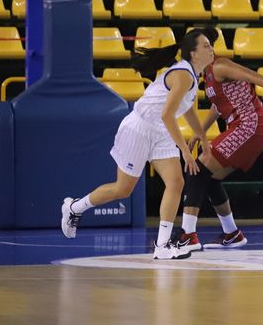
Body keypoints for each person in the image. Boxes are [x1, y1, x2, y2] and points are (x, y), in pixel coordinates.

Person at [61, 30, 215, 260]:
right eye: (206, 45)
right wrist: (186, 152)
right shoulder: (183, 74)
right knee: (123, 189)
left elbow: (188, 108)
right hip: (140, 126)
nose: (211, 48)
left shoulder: (193, 75)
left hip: (160, 130)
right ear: (193, 53)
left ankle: (162, 245)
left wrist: (202, 136)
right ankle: (74, 207)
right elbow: (167, 115)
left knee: (176, 181)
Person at [176, 55, 263, 252]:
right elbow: (217, 106)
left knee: (198, 167)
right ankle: (232, 233)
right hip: (243, 126)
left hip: (250, 124)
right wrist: (200, 132)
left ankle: (188, 235)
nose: (210, 50)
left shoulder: (219, 66)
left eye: (209, 46)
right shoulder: (208, 78)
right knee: (210, 176)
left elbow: (250, 75)